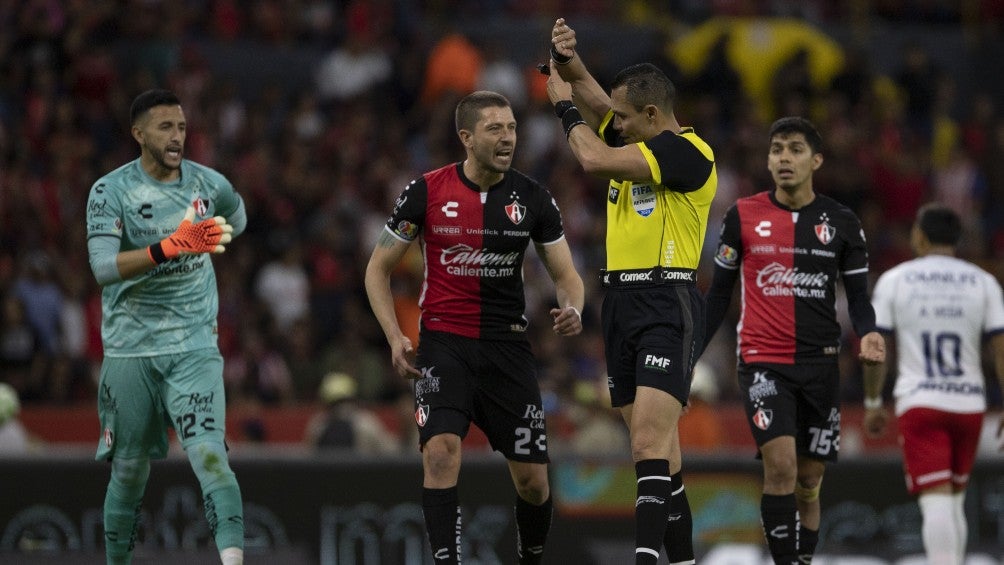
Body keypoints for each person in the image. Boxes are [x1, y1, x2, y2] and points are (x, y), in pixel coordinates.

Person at [364, 90, 584, 565]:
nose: (508, 138)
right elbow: (376, 270)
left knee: (533, 482)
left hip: (507, 347)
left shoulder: (532, 198)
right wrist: (394, 336)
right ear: (466, 137)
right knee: (440, 452)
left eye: (512, 128)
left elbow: (567, 277)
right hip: (444, 343)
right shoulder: (425, 191)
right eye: (495, 129)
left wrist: (573, 308)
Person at [544, 18, 717, 565]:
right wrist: (566, 58)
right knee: (664, 457)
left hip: (667, 301)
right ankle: (684, 560)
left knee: (645, 445)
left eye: (622, 117)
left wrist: (563, 106)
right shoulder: (636, 134)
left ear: (651, 116)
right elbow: (600, 97)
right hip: (620, 303)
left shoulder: (687, 154)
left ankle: (644, 558)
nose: (612, 123)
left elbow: (591, 156)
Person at [703, 116, 886, 564]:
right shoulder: (742, 215)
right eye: (777, 149)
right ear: (767, 159)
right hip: (763, 362)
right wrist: (690, 357)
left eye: (795, 149)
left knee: (808, 481)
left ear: (816, 160)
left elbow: (859, 300)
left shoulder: (841, 222)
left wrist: (871, 334)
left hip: (821, 364)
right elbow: (717, 298)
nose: (784, 158)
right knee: (780, 466)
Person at [85, 89, 247, 565]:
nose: (177, 136)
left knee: (211, 456)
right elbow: (102, 268)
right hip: (130, 350)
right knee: (130, 473)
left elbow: (237, 219)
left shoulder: (208, 183)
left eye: (180, 127)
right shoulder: (109, 191)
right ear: (139, 135)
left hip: (194, 345)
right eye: (165, 128)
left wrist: (209, 239)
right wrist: (169, 248)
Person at [862, 203, 1004, 565]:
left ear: (919, 236)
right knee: (954, 500)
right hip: (970, 404)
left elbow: (876, 347)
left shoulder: (896, 280)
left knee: (935, 501)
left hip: (921, 402)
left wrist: (874, 401)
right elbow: (1001, 346)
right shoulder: (983, 281)